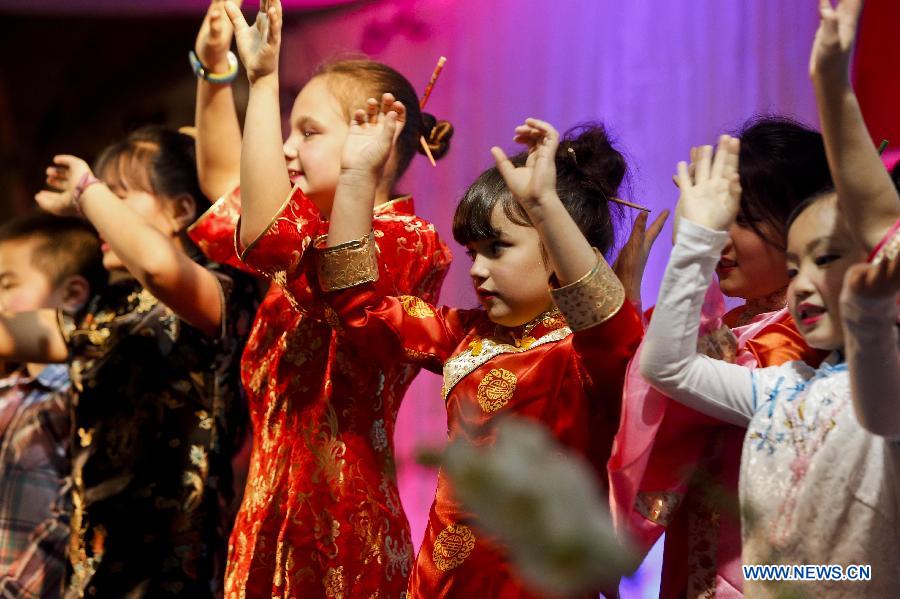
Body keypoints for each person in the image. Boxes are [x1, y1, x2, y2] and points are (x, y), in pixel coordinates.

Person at [317, 108, 643, 597]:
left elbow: (610, 329)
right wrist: (357, 175)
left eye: (497, 247)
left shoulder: (586, 351)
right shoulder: (465, 334)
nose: (476, 269)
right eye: (473, 252)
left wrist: (545, 203)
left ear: (558, 245)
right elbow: (359, 306)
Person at [189, 1, 454, 596]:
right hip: (267, 507)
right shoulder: (310, 224)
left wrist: (261, 84)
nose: (286, 149)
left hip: (338, 517)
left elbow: (264, 233)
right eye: (288, 130)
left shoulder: (408, 240)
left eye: (308, 133)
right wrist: (214, 72)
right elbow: (222, 181)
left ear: (374, 141)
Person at [0, 126, 255, 597]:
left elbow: (160, 266)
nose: (101, 216)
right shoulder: (107, 310)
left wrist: (84, 191)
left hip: (172, 578)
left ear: (180, 211)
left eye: (117, 195)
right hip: (93, 578)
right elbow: (8, 334)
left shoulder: (221, 292)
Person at [610, 117, 834, 598]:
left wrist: (693, 245)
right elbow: (640, 391)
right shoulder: (735, 327)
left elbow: (670, 375)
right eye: (720, 219)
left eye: (744, 219)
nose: (723, 239)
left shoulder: (803, 341)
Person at [0, 212, 104, 598]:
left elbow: (68, 521)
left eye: (7, 284)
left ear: (72, 295)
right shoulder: (10, 391)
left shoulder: (76, 401)